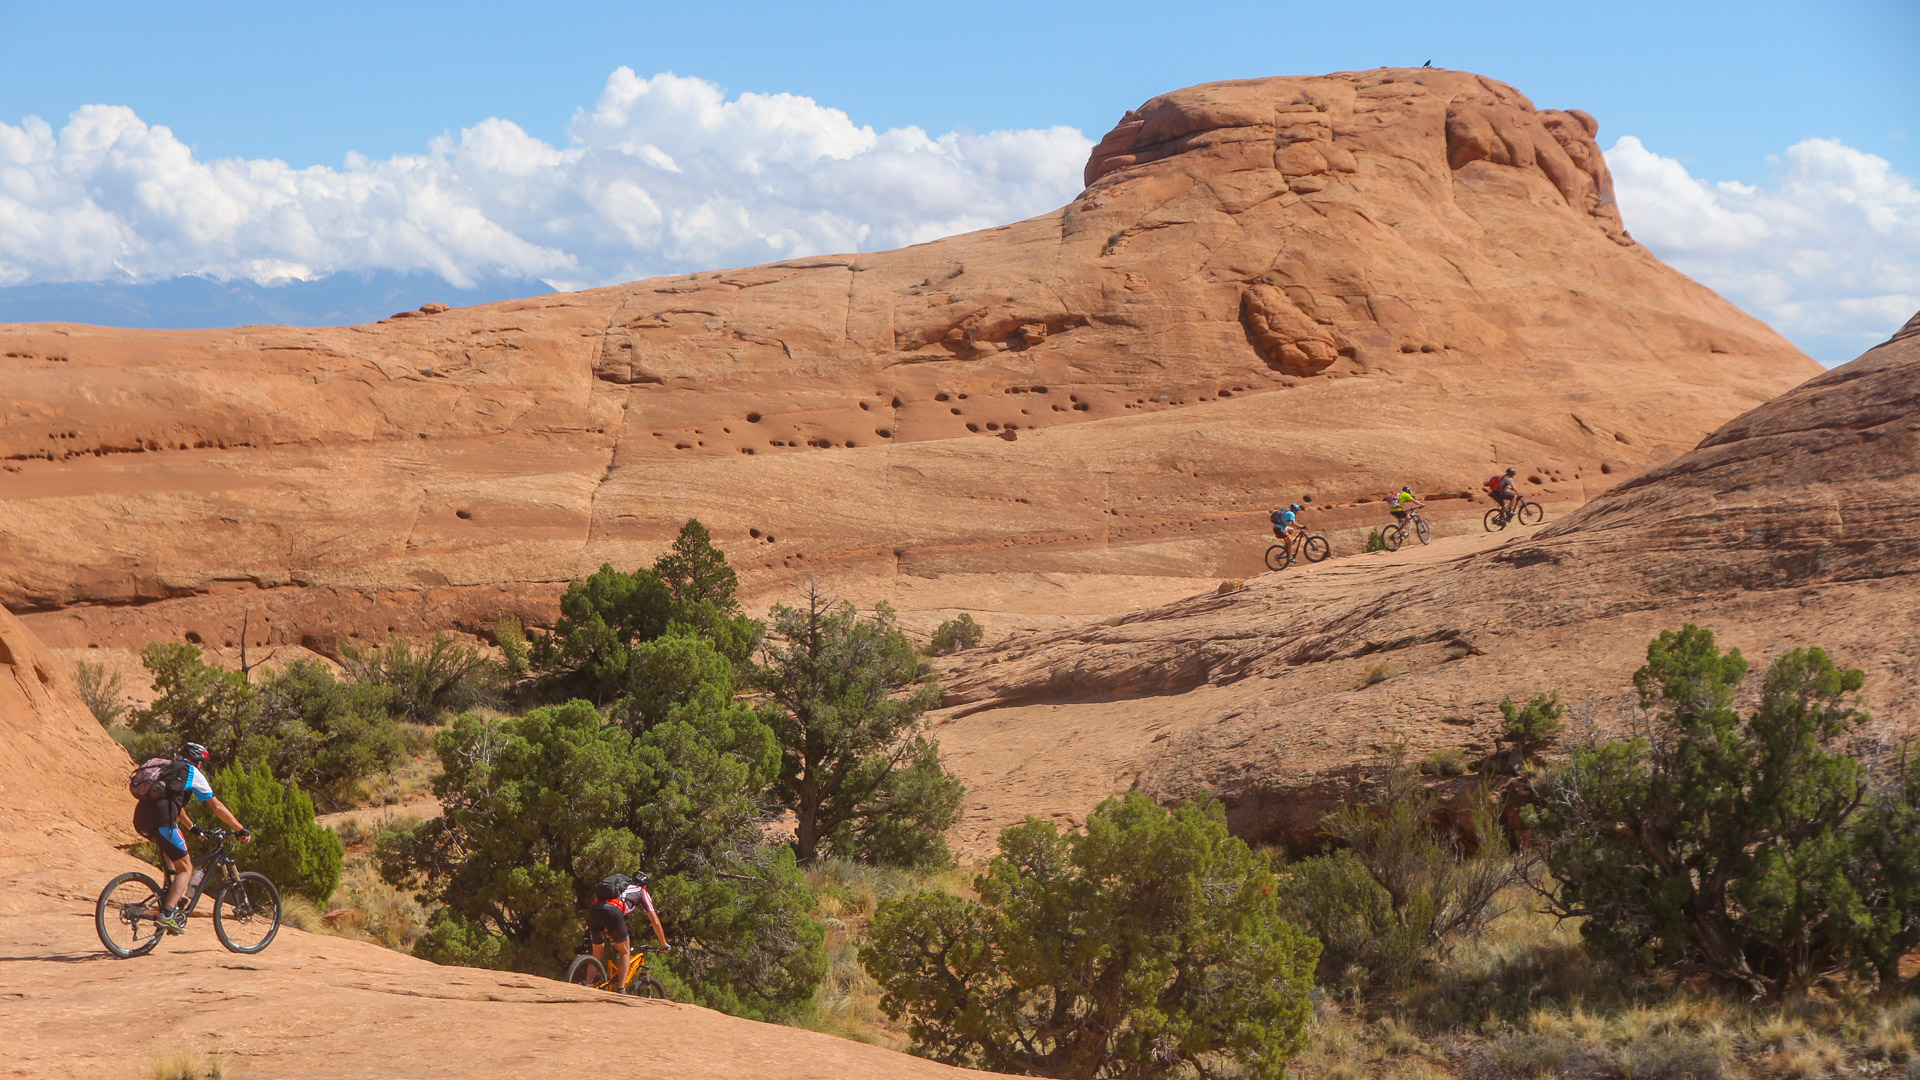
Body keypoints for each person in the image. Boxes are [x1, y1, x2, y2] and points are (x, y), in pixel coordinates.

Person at [131, 743, 251, 934]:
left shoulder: (169, 770)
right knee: (186, 868)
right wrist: (240, 828)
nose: (201, 766)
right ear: (198, 760)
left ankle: (170, 897)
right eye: (202, 763)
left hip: (142, 819)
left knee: (171, 858)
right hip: (163, 821)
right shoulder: (191, 772)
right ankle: (167, 915)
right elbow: (216, 806)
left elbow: (176, 805)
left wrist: (192, 827)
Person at [587, 871, 671, 992]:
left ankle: (587, 984)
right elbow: (655, 922)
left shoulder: (620, 886)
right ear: (645, 885)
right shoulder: (642, 892)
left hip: (595, 910)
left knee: (597, 954)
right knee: (625, 952)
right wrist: (663, 943)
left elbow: (605, 908)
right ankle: (621, 989)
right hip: (613, 912)